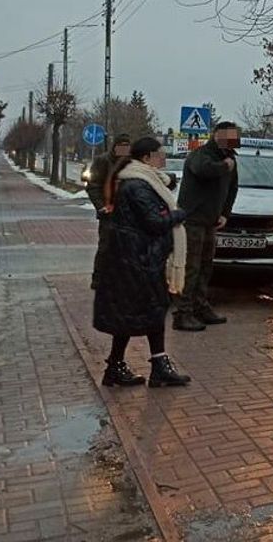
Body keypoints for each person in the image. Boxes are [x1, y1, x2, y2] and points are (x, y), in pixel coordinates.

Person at [93, 137, 191, 388]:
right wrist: (180, 214)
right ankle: (158, 368)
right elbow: (154, 222)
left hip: (131, 258)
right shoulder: (138, 185)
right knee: (153, 311)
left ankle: (116, 367)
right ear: (146, 158)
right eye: (160, 154)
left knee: (129, 315)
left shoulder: (137, 180)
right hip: (138, 260)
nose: (164, 158)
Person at [173, 121, 240, 332]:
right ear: (216, 135)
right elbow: (203, 170)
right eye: (226, 135)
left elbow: (232, 188)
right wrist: (224, 166)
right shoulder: (201, 155)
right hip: (192, 220)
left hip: (211, 221)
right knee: (191, 268)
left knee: (205, 267)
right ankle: (182, 313)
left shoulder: (229, 159)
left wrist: (224, 213)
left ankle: (200, 307)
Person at [87, 134, 132, 290]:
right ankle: (98, 279)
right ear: (115, 146)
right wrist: (101, 207)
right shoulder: (103, 161)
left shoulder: (131, 163)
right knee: (106, 247)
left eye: (127, 146)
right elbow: (93, 186)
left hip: (128, 214)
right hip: (109, 213)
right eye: (121, 145)